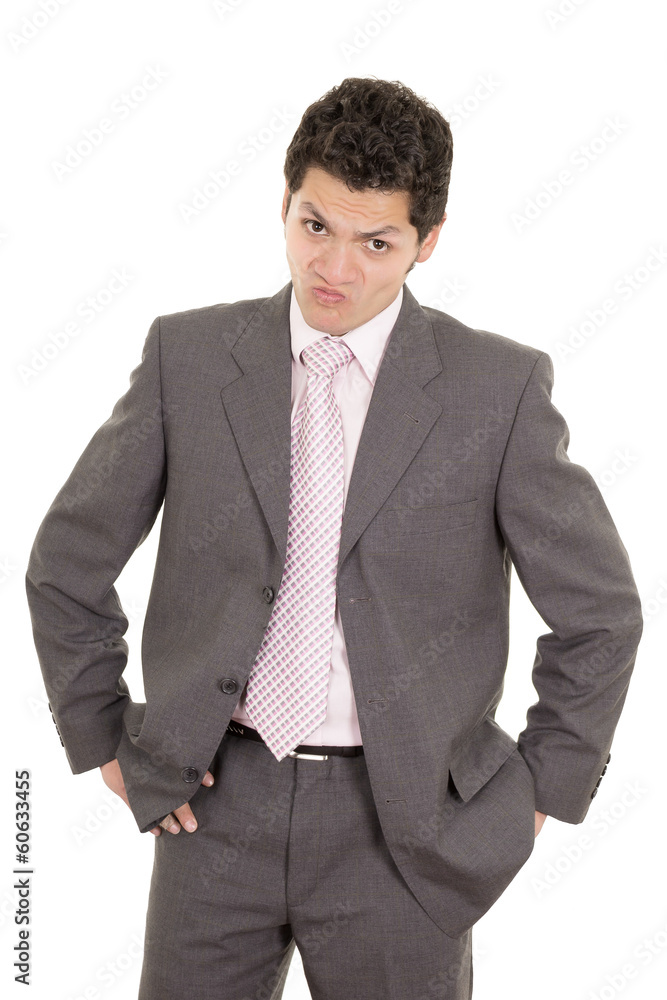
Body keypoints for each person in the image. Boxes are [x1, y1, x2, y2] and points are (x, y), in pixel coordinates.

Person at [25, 76, 643, 999]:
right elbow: (67, 565)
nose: (335, 269)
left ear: (425, 244)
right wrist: (104, 737)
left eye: (376, 242)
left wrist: (536, 795)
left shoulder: (494, 392)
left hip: (403, 833)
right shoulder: (186, 361)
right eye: (315, 226)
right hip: (211, 808)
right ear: (284, 203)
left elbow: (599, 617)